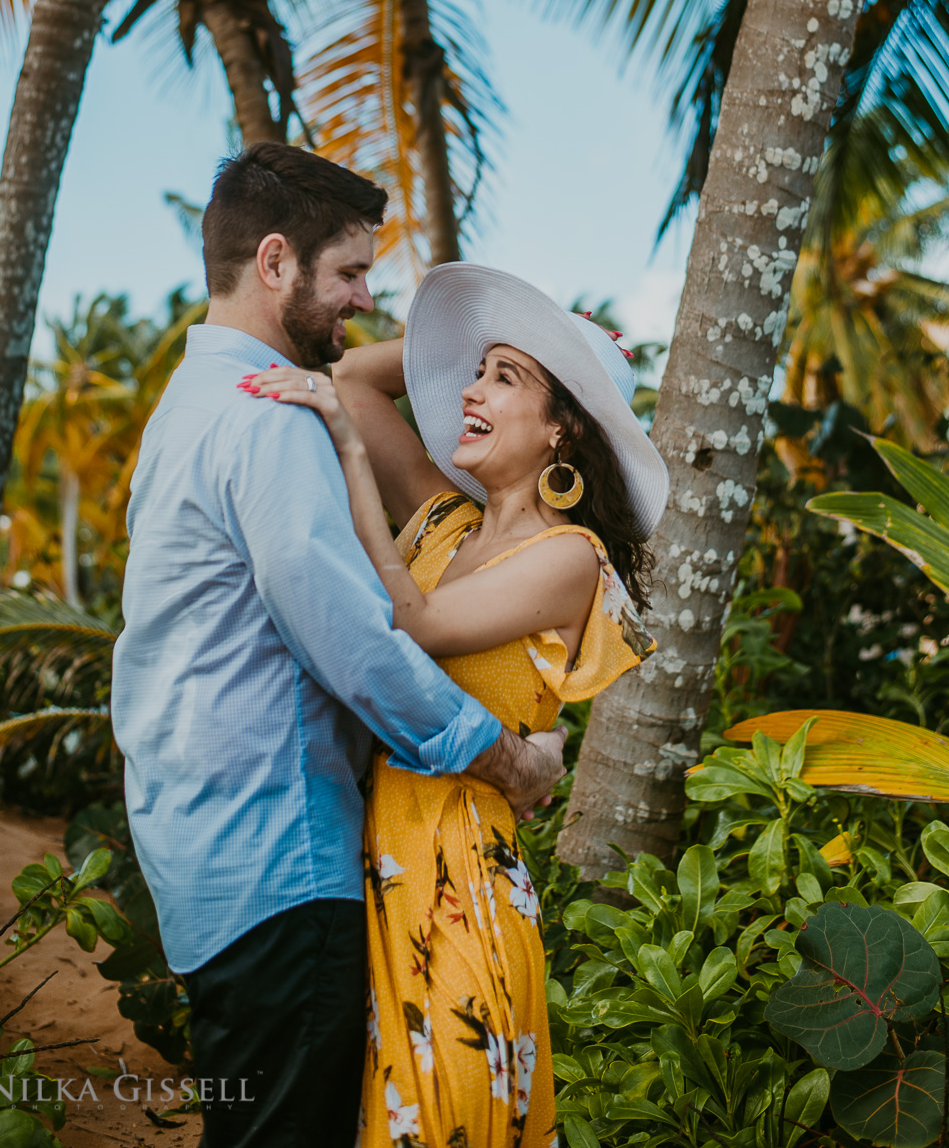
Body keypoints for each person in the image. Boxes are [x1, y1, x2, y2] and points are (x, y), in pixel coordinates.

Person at [110, 146, 565, 1148]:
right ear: (275, 264)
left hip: (207, 855)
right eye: (351, 272)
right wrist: (506, 760)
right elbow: (351, 646)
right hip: (280, 862)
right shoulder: (267, 417)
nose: (364, 298)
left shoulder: (188, 408)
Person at [244, 261, 668, 1147]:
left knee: (443, 1120)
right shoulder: (443, 522)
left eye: (504, 379)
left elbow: (414, 620)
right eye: (473, 371)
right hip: (366, 858)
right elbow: (354, 379)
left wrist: (356, 456)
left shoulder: (570, 557)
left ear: (563, 429)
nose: (471, 390)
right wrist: (464, 353)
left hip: (457, 877)